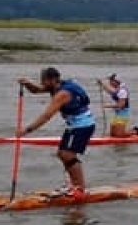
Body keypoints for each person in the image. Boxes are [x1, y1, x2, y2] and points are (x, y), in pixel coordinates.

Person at [18, 67, 95, 199]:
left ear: (53, 80)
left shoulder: (63, 94)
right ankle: (73, 185)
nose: (42, 83)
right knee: (62, 154)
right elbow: (36, 90)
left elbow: (46, 116)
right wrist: (27, 84)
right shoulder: (56, 86)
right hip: (74, 125)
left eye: (44, 80)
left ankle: (79, 188)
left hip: (83, 126)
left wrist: (26, 130)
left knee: (68, 155)